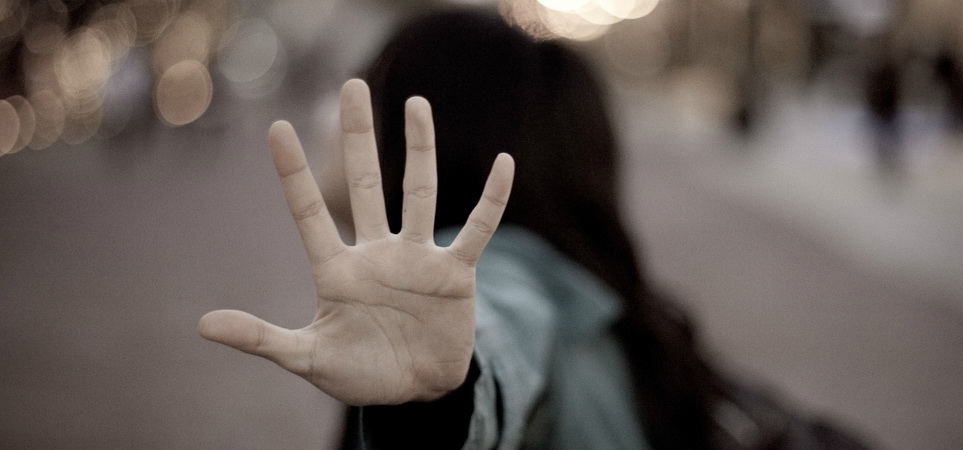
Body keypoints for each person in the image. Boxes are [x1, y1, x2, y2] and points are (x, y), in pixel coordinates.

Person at [200, 8, 868, 449]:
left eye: (360, 91)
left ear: (426, 132)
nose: (331, 117)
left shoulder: (506, 272)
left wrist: (435, 402)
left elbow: (499, 329)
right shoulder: (576, 279)